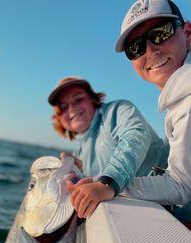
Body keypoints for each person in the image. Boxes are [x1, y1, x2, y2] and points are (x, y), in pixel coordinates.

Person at [47, 76, 168, 218]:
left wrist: (107, 184)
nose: (72, 108)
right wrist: (71, 177)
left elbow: (136, 135)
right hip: (141, 213)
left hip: (176, 205)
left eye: (78, 99)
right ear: (59, 118)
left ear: (93, 99)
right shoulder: (78, 153)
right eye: (63, 106)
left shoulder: (115, 111)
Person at [115, 0, 191, 224]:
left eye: (160, 33)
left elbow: (182, 186)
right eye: (135, 47)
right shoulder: (179, 95)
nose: (150, 50)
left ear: (187, 33)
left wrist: (110, 183)